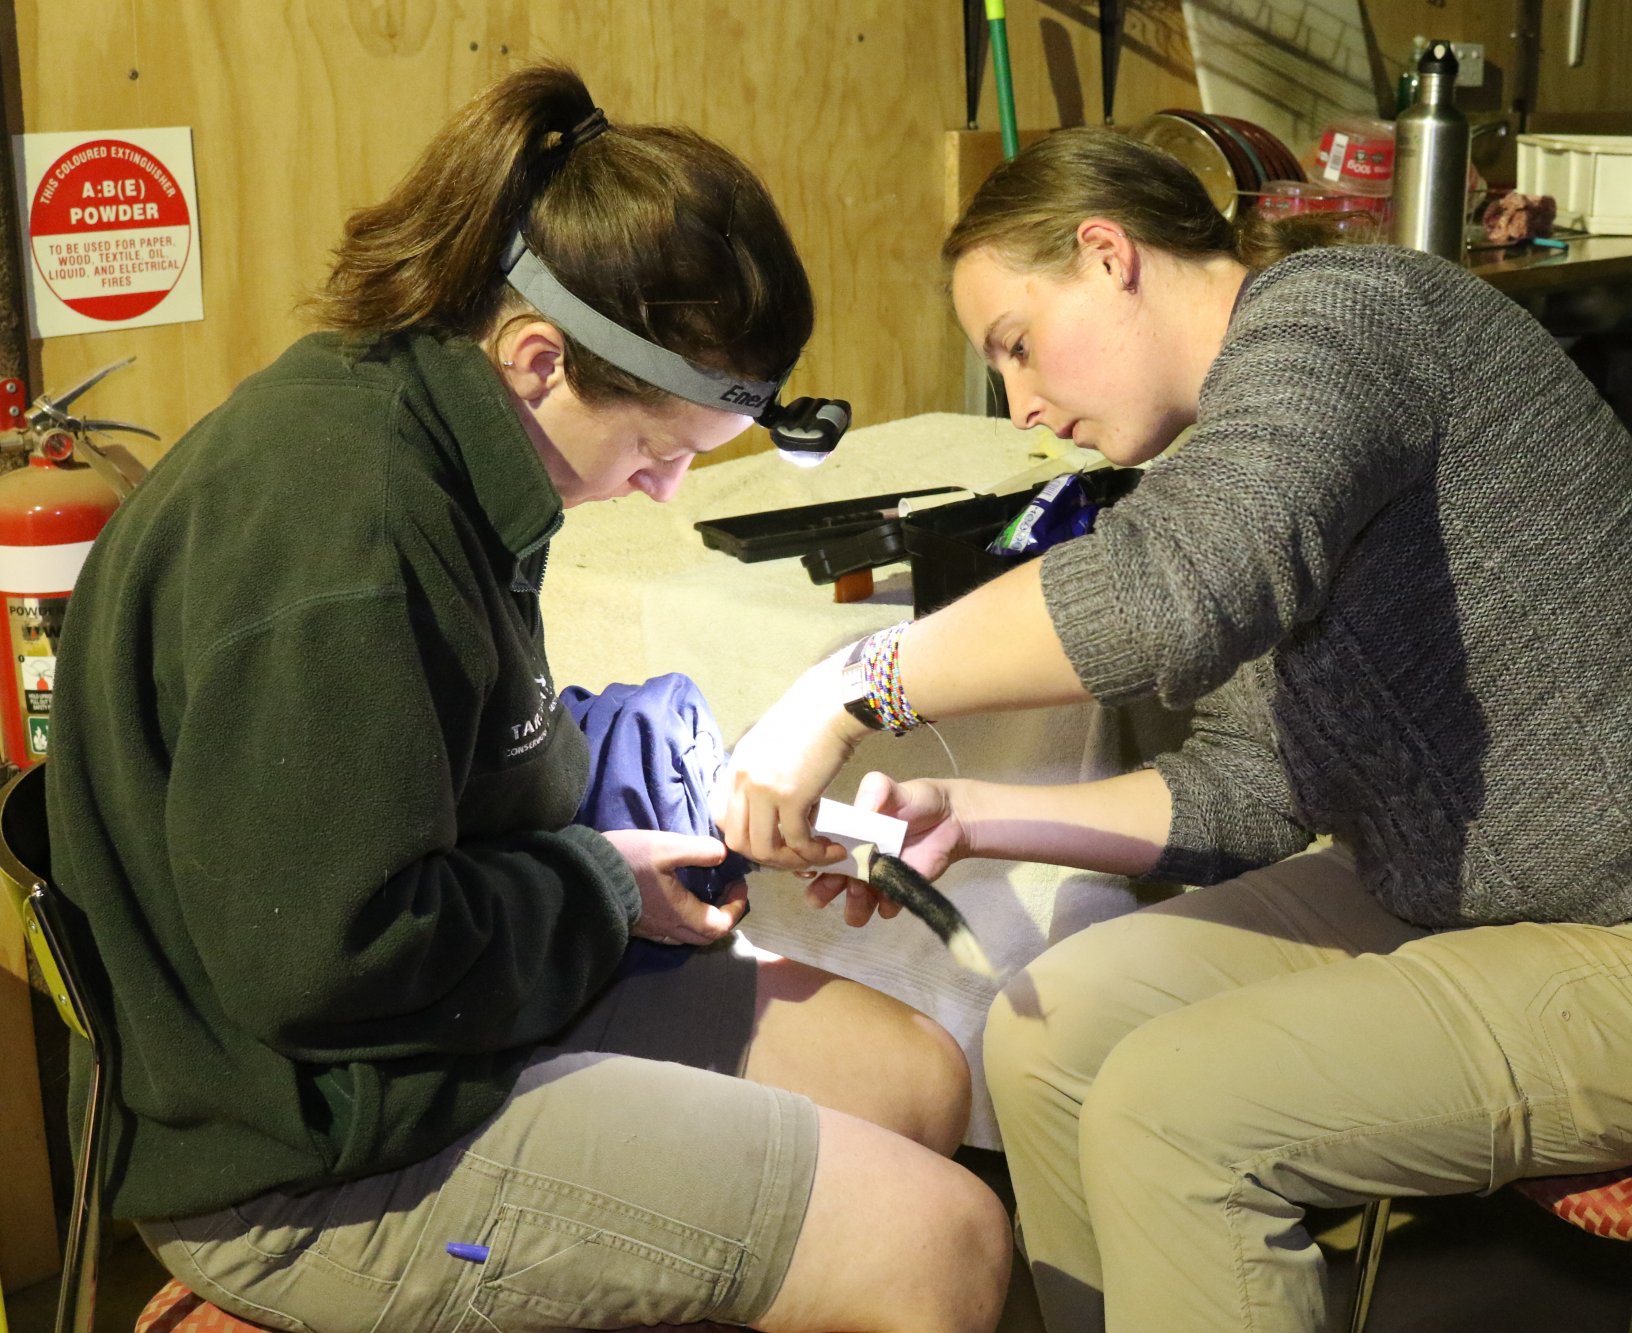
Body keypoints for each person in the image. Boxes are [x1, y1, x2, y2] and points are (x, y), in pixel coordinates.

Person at [721, 128, 1632, 1332]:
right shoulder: (1239, 444)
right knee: (1050, 1037)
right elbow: (1251, 788)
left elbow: (1174, 591)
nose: (1023, 405)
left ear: (1107, 255)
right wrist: (982, 816)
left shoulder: (1349, 320)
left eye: (1016, 345)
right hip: (1464, 895)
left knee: (1176, 1113)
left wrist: (849, 688)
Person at [47, 65, 1009, 1333]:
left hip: (396, 1042)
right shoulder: (354, 535)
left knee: (913, 1074)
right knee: (937, 1243)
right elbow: (330, 961)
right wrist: (599, 890)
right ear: (539, 357)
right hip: (312, 1149)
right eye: (659, 452)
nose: (665, 492)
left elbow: (434, 767)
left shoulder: (431, 423)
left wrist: (633, 815)